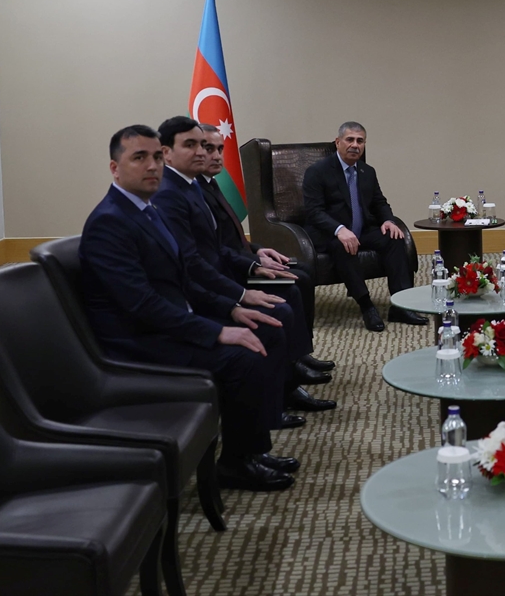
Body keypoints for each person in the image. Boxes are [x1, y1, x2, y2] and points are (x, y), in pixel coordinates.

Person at [79, 125, 297, 491]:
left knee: (265, 328)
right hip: (138, 342)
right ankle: (235, 465)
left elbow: (183, 279)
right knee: (243, 358)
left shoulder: (147, 210)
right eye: (139, 158)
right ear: (115, 168)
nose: (153, 166)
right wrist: (217, 331)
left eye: (156, 157)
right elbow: (143, 304)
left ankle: (252, 449)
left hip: (170, 323)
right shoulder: (109, 222)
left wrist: (231, 309)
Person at [154, 117, 336, 415]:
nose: (207, 154)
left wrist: (257, 253)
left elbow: (221, 242)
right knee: (285, 298)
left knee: (298, 277)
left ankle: (294, 365)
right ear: (166, 153)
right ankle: (285, 385)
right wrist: (242, 288)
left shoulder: (195, 187)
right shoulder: (172, 193)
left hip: (226, 271)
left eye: (212, 148)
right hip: (213, 285)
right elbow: (195, 261)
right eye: (195, 146)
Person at [198, 124, 332, 375]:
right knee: (295, 283)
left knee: (304, 271)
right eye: (208, 149)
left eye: (220, 149)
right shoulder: (196, 191)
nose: (216, 156)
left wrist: (258, 250)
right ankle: (293, 363)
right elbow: (216, 247)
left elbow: (231, 236)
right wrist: (254, 264)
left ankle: (301, 352)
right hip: (232, 269)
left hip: (243, 256)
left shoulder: (211, 184)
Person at [303, 121, 427, 332]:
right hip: (329, 234)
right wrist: (340, 230)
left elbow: (379, 202)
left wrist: (388, 220)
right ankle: (367, 306)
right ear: (338, 142)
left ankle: (401, 305)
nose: (355, 145)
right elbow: (314, 212)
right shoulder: (317, 171)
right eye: (350, 140)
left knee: (394, 238)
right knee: (342, 246)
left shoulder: (367, 171)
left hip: (361, 231)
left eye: (360, 141)